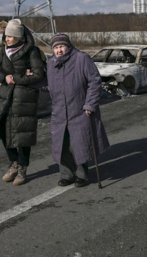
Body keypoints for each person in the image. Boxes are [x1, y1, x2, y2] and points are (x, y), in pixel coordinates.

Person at [0, 19, 45, 186]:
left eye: (12, 36)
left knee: (22, 134)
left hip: (24, 97)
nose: (8, 39)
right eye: (6, 35)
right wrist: (4, 77)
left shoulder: (31, 51)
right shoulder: (3, 50)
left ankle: (23, 168)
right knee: (4, 130)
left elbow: (38, 75)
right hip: (5, 96)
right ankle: (13, 163)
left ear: (19, 37)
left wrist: (16, 78)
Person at [48, 33, 110, 187]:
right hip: (59, 112)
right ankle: (67, 175)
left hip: (79, 109)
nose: (59, 50)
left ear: (68, 46)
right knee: (61, 144)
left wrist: (90, 104)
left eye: (62, 46)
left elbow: (94, 81)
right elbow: (48, 84)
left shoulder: (81, 58)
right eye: (56, 47)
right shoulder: (50, 63)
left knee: (78, 144)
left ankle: (82, 175)